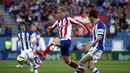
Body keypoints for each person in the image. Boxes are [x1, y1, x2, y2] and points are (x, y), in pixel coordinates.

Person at [36, 7, 90, 72]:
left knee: (54, 41)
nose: (59, 14)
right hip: (62, 42)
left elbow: (79, 23)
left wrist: (87, 30)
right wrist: (50, 28)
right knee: (67, 61)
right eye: (58, 13)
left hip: (67, 40)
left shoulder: (68, 19)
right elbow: (52, 29)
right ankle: (80, 69)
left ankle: (43, 54)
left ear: (64, 13)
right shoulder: (57, 22)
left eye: (60, 12)